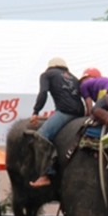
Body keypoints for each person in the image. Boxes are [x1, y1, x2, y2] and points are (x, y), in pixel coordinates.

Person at [28, 57, 86, 188]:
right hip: (80, 112)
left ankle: (46, 174)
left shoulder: (47, 74)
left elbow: (43, 93)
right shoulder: (73, 78)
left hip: (66, 112)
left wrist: (35, 112)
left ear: (50, 66)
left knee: (41, 136)